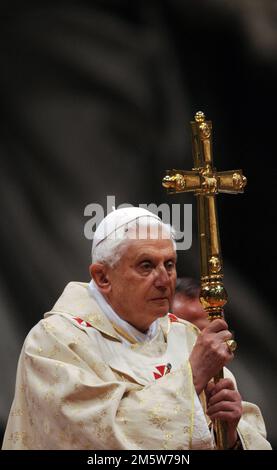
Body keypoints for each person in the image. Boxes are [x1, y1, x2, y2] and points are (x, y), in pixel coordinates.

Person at [2, 207, 271, 450]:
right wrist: (192, 378)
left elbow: (247, 434)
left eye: (169, 264)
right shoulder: (55, 342)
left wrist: (232, 438)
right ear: (103, 277)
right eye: (146, 265)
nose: (165, 280)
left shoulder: (185, 336)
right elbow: (96, 439)